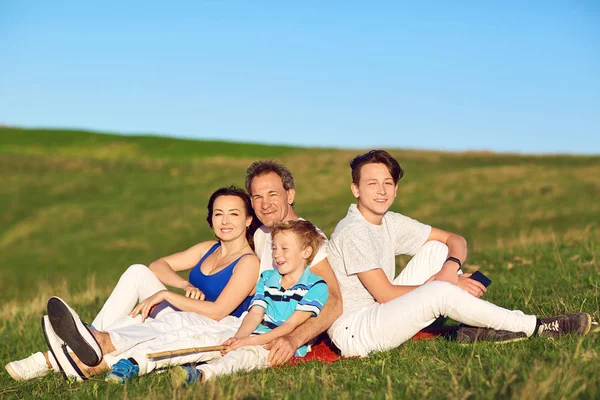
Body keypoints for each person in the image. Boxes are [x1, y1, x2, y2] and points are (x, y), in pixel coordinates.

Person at [326, 149, 592, 357]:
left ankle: (474, 326)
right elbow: (385, 295)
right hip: (356, 331)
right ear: (356, 189)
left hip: (379, 313)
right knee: (440, 291)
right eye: (372, 183)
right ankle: (536, 326)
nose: (382, 190)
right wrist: (448, 283)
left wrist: (450, 266)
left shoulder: (389, 221)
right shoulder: (353, 231)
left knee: (437, 249)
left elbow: (455, 239)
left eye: (388, 182)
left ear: (395, 189)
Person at [6, 186, 260, 381]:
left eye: (234, 214)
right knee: (137, 272)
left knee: (150, 319)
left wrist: (167, 296)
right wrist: (183, 286)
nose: (225, 221)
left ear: (248, 220)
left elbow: (218, 312)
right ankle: (89, 340)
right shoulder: (208, 249)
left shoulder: (248, 262)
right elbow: (157, 266)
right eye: (219, 214)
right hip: (183, 312)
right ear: (211, 219)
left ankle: (59, 355)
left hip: (211, 325)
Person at [144, 220, 328, 384]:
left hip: (278, 344)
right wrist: (239, 338)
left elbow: (290, 326)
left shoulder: (316, 286)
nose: (277, 255)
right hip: (254, 333)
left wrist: (250, 341)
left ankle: (201, 374)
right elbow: (255, 312)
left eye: (284, 249)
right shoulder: (268, 278)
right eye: (274, 248)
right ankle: (145, 363)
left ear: (306, 252)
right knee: (213, 342)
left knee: (245, 357)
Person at [243, 160, 342, 366]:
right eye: (257, 197)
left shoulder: (309, 239)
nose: (265, 204)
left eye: (272, 194)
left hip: (286, 332)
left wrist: (293, 339)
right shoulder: (261, 234)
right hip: (257, 325)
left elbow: (334, 301)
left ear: (290, 195)